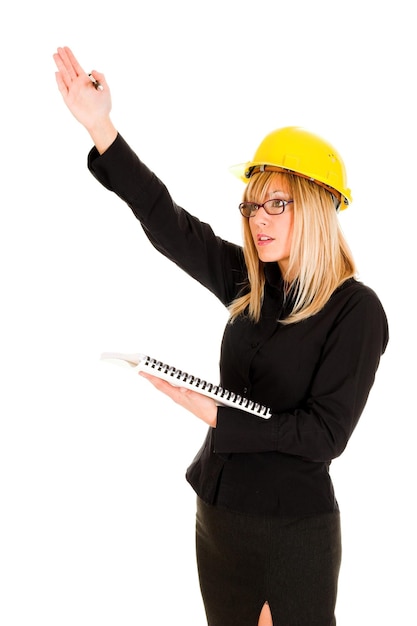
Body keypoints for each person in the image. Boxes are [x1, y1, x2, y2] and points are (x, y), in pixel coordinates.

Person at [53, 46, 389, 626]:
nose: (257, 219)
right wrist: (102, 127)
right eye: (251, 205)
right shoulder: (248, 282)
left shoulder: (355, 311)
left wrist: (218, 415)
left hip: (293, 529)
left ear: (315, 207)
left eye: (275, 204)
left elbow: (324, 436)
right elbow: (170, 224)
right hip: (219, 513)